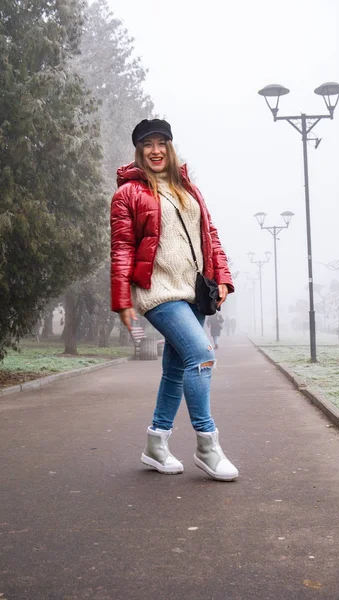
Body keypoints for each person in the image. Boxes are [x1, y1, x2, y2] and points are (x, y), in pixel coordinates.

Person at [110, 118, 238, 482]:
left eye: (161, 143)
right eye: (148, 144)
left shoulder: (188, 188)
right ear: (139, 150)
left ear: (170, 147)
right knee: (202, 355)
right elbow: (121, 248)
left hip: (193, 292)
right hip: (157, 292)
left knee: (176, 369)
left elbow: (210, 235)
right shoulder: (128, 194)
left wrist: (223, 278)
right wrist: (123, 298)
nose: (155, 150)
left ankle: (156, 444)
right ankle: (207, 446)